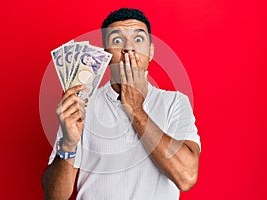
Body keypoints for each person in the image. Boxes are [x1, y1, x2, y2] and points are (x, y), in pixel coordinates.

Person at [42, 8, 201, 200]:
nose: (128, 48)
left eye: (138, 39)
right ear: (105, 54)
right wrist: (68, 144)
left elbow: (187, 177)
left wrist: (136, 110)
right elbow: (54, 197)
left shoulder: (175, 103)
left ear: (151, 52)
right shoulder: (82, 105)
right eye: (117, 40)